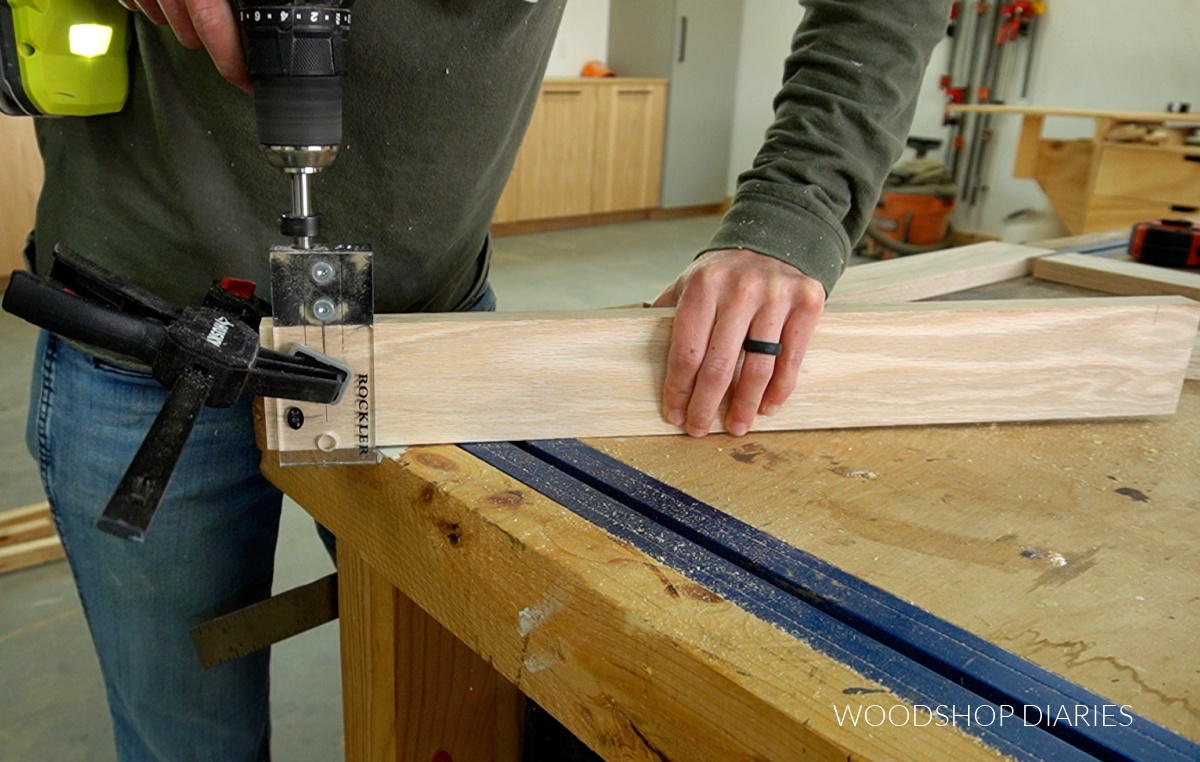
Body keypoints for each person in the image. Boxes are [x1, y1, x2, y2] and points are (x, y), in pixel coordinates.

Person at [23, 0, 949, 758]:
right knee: (183, 738)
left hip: (431, 340)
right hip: (141, 339)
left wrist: (795, 209)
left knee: (465, 705)